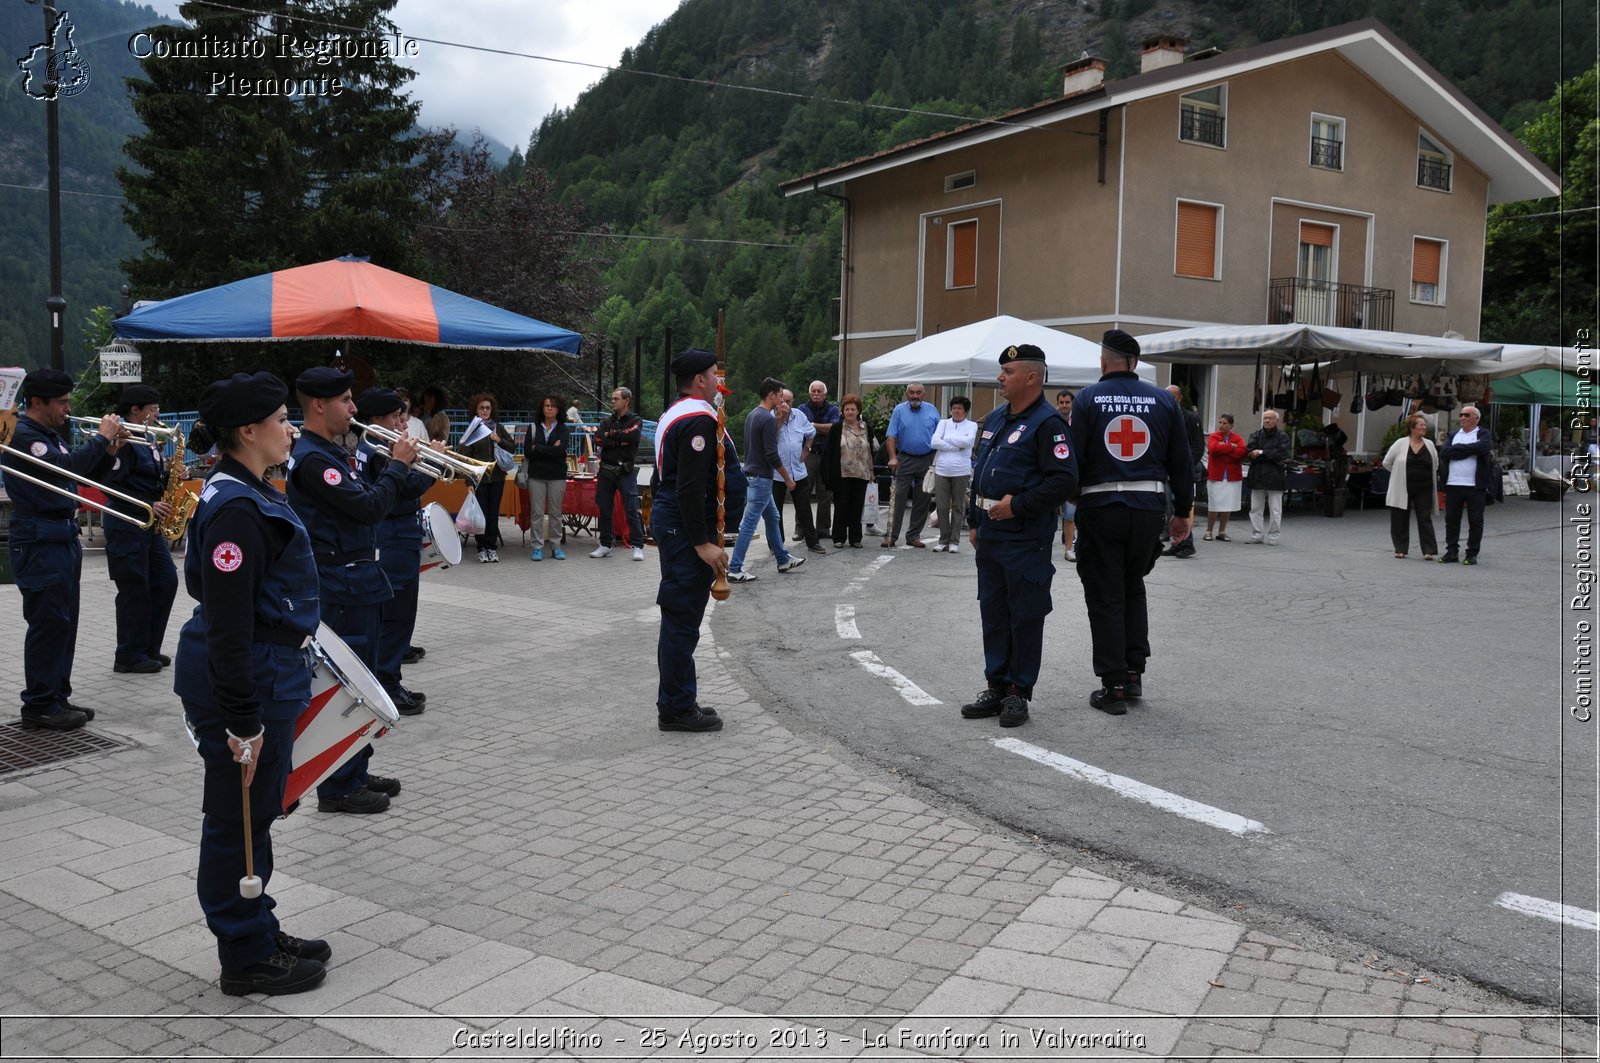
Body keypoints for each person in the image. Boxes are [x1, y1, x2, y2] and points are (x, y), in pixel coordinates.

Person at [173, 371, 329, 997]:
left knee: (255, 813)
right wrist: (243, 720)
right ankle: (244, 953)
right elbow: (229, 625)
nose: (291, 427)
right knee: (236, 818)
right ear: (247, 432)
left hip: (266, 671)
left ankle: (257, 924)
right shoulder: (237, 508)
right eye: (280, 419)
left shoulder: (242, 489)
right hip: (249, 680)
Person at [287, 365, 417, 814]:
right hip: (339, 582)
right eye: (345, 399)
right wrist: (399, 465)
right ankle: (339, 785)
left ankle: (354, 766)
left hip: (355, 579)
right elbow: (368, 508)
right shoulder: (315, 459)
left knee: (363, 679)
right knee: (347, 687)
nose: (354, 407)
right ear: (319, 405)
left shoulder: (330, 451)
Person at [1069, 329, 1192, 715]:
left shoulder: (1088, 399)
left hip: (1101, 505)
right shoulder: (1162, 401)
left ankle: (1114, 684)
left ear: (1104, 361)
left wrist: (1072, 494)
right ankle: (1134, 672)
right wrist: (1183, 512)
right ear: (1135, 363)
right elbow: (1181, 461)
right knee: (1132, 585)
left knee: (1105, 592)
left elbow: (1074, 457)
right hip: (1148, 507)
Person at [960, 345, 1077, 728]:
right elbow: (980, 473)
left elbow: (1064, 481)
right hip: (991, 533)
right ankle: (996, 686)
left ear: (1032, 376)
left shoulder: (1048, 424)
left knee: (1024, 614)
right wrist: (974, 521)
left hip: (1025, 536)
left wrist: (1020, 505)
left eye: (1007, 371)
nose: (1000, 377)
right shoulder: (995, 417)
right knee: (993, 611)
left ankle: (1018, 693)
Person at [1, 368, 120, 731]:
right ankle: (38, 704)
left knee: (64, 623)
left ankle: (55, 696)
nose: (68, 409)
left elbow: (76, 479)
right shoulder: (23, 436)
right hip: (39, 539)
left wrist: (108, 451)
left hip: (59, 536)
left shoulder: (49, 435)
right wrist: (100, 440)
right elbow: (61, 470)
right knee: (48, 623)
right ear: (37, 402)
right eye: (63, 402)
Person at [651, 348, 731, 733]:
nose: (719, 380)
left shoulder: (676, 412)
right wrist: (702, 543)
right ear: (700, 380)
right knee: (682, 618)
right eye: (715, 374)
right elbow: (689, 487)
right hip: (685, 529)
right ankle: (676, 707)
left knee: (679, 616)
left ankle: (679, 698)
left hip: (674, 523)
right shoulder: (697, 419)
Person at [354, 387, 432, 714]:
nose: (402, 424)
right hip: (394, 533)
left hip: (395, 532)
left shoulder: (374, 446)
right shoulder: (376, 449)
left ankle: (387, 679)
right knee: (397, 614)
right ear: (376, 420)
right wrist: (426, 466)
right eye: (396, 418)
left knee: (396, 614)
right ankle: (387, 684)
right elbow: (406, 488)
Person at [101, 384, 180, 675]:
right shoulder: (123, 439)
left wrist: (172, 472)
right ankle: (128, 655)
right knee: (135, 589)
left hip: (148, 525)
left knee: (166, 581)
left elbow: (146, 476)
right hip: (127, 523)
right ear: (135, 410)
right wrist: (148, 503)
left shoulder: (148, 438)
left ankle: (148, 647)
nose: (157, 414)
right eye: (153, 409)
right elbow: (111, 485)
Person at [728, 377, 803, 582]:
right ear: (771, 395)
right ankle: (735, 568)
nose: (783, 400)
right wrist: (787, 478)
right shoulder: (766, 418)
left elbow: (763, 443)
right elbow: (771, 453)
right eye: (780, 395)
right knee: (749, 525)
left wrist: (778, 421)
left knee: (773, 517)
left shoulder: (754, 414)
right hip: (761, 477)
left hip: (753, 474)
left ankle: (782, 558)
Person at [591, 386, 646, 560]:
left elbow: (633, 436)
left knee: (631, 508)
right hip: (606, 469)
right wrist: (617, 441)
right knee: (605, 508)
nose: (613, 401)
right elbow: (598, 438)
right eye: (612, 398)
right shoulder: (606, 421)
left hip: (625, 471)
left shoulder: (636, 420)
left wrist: (611, 435)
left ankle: (638, 546)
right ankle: (605, 544)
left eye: (616, 398)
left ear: (626, 400)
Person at [882, 382, 940, 548]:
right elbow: (891, 436)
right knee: (899, 497)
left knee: (923, 499)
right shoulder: (899, 410)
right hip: (905, 458)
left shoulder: (932, 410)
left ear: (924, 394)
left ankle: (913, 536)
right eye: (912, 393)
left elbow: (940, 435)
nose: (915, 396)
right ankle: (892, 536)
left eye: (918, 393)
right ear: (907, 395)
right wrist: (893, 457)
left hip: (927, 459)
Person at [459, 393, 515, 563]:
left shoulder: (498, 427)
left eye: (488, 408)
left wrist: (499, 440)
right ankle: (481, 547)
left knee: (493, 514)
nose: (485, 410)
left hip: (497, 477)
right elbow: (465, 457)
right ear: (476, 410)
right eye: (481, 407)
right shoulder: (473, 429)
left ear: (492, 410)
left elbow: (512, 447)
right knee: (480, 515)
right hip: (479, 479)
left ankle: (492, 547)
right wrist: (468, 481)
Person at [1438, 404, 1494, 565]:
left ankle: (1472, 552)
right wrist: (1470, 450)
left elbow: (1483, 448)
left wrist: (1459, 450)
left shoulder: (1482, 433)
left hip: (1475, 486)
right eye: (1461, 415)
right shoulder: (1453, 434)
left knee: (1475, 520)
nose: (1462, 417)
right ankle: (1451, 551)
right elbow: (1444, 452)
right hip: (1453, 484)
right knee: (1451, 520)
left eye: (1467, 415)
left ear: (1476, 418)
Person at [821, 394, 879, 549]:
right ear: (842, 411)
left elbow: (870, 451)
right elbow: (829, 452)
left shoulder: (866, 427)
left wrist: (872, 471)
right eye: (847, 409)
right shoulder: (836, 428)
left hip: (862, 473)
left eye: (853, 409)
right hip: (842, 473)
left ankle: (855, 538)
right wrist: (827, 476)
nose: (850, 412)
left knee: (857, 506)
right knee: (841, 506)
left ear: (858, 410)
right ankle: (839, 538)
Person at [771, 388, 823, 553]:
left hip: (798, 470)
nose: (785, 404)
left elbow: (812, 431)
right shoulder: (770, 416)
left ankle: (813, 542)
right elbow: (769, 440)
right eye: (782, 401)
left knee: (804, 508)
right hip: (777, 473)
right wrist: (780, 420)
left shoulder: (799, 415)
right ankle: (776, 544)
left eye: (788, 401)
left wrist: (807, 447)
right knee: (775, 510)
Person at [1382, 412, 1439, 560]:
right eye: (1421, 425)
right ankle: (1400, 548)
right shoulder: (1400, 443)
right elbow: (1387, 462)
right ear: (1412, 428)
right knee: (1399, 517)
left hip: (1424, 487)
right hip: (1403, 485)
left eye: (1425, 425)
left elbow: (1436, 464)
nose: (1424, 427)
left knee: (1424, 517)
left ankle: (1429, 550)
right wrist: (1397, 473)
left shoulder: (1430, 444)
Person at [524, 394, 569, 561]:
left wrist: (540, 448)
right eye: (546, 405)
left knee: (555, 513)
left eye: (553, 405)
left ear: (558, 409)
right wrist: (550, 448)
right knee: (536, 513)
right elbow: (528, 452)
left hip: (557, 476)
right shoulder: (534, 427)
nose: (549, 408)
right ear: (542, 408)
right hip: (536, 475)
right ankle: (537, 547)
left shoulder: (563, 429)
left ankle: (556, 546)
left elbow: (560, 451)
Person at [930, 395, 977, 552]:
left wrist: (947, 440)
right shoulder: (943, 423)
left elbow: (968, 442)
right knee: (942, 506)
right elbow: (934, 442)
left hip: (961, 470)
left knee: (958, 506)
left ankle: (954, 541)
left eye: (960, 409)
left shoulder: (971, 425)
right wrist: (955, 445)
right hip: (942, 469)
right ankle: (943, 539)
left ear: (965, 411)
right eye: (954, 408)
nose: (956, 411)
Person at [1161, 384, 1203, 559]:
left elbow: (1198, 447)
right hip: (1166, 470)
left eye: (1172, 396)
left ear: (1179, 398)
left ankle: (1187, 543)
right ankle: (1177, 542)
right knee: (1169, 507)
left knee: (1181, 506)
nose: (1169, 399)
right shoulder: (1163, 416)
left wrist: (1183, 466)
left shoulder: (1191, 418)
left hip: (1182, 471)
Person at [800, 381, 840, 540]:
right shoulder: (802, 409)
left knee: (824, 494)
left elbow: (835, 427)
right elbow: (801, 428)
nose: (816, 394)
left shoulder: (833, 409)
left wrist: (812, 425)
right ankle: (801, 529)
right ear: (810, 394)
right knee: (803, 492)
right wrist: (821, 427)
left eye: (819, 391)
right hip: (807, 454)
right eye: (813, 391)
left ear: (825, 394)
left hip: (826, 455)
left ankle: (823, 529)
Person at [1245, 409, 1290, 545]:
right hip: (1257, 475)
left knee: (1275, 509)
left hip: (1275, 476)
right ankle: (1257, 534)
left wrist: (1261, 453)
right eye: (1265, 418)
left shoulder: (1283, 436)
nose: (1267, 421)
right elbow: (1249, 453)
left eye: (1270, 418)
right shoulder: (1255, 435)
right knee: (1255, 508)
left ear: (1277, 420)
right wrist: (1269, 455)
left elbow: (1282, 454)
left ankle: (1274, 535)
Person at [1203, 414, 1247, 541]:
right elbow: (1213, 449)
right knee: (1214, 504)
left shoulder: (1237, 437)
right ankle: (1208, 531)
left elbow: (1241, 453)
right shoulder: (1214, 436)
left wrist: (1225, 449)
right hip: (1216, 475)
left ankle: (1222, 531)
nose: (1221, 425)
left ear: (1231, 425)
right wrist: (1231, 447)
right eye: (1220, 422)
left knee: (1227, 504)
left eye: (1224, 423)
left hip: (1232, 476)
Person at [1055, 389, 1078, 561]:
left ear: (1072, 403)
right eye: (1061, 402)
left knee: (1070, 514)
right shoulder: (1051, 420)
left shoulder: (1078, 421)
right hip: (1053, 473)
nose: (1064, 406)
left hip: (1072, 473)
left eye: (1067, 402)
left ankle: (1069, 549)